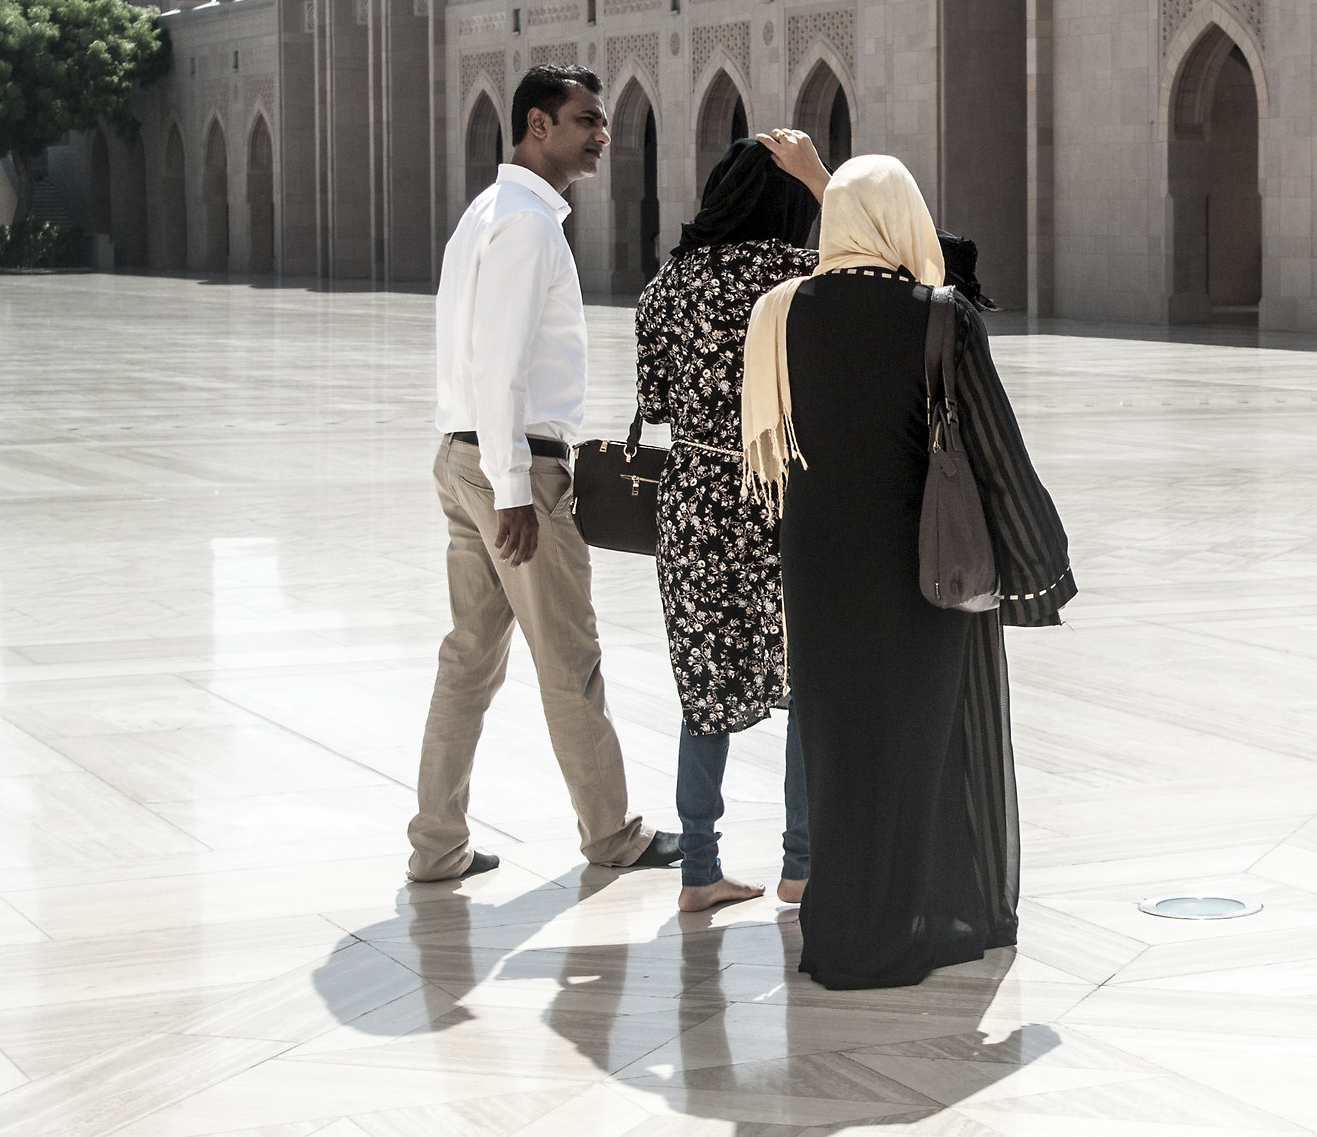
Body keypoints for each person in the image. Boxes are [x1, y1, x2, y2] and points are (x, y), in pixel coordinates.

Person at [741, 155, 1074, 990]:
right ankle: (914, 921)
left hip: (817, 569)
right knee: (918, 746)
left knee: (837, 746)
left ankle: (841, 929)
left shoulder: (778, 313)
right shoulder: (939, 315)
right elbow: (993, 449)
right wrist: (1038, 557)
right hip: (917, 572)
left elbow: (771, 455)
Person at [409, 65, 681, 884]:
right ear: (538, 125)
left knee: (469, 658)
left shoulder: (488, 213)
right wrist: (516, 489)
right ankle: (612, 835)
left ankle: (437, 846)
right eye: (585, 120)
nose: (602, 135)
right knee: (570, 656)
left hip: (467, 455)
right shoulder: (526, 224)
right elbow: (500, 364)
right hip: (512, 465)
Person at [634, 129, 829, 914]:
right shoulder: (799, 277)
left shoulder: (669, 284)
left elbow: (654, 403)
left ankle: (700, 870)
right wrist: (822, 179)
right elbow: (898, 268)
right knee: (806, 680)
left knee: (703, 684)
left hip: (693, 502)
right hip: (778, 494)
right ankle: (802, 866)